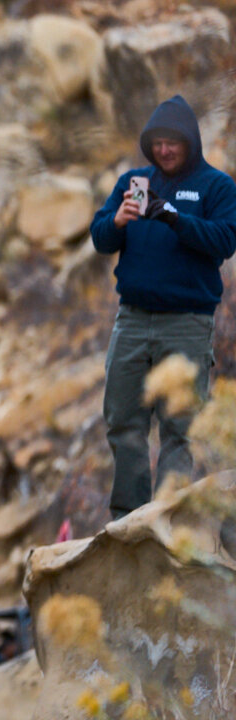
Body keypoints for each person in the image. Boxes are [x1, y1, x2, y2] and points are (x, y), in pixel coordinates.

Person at [90, 94, 236, 520]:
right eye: (158, 143)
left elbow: (224, 241)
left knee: (179, 429)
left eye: (173, 142)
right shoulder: (133, 180)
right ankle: (128, 522)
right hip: (132, 321)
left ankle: (169, 522)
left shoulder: (217, 186)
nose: (165, 150)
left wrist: (170, 215)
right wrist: (117, 220)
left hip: (187, 324)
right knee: (124, 423)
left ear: (190, 142)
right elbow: (100, 239)